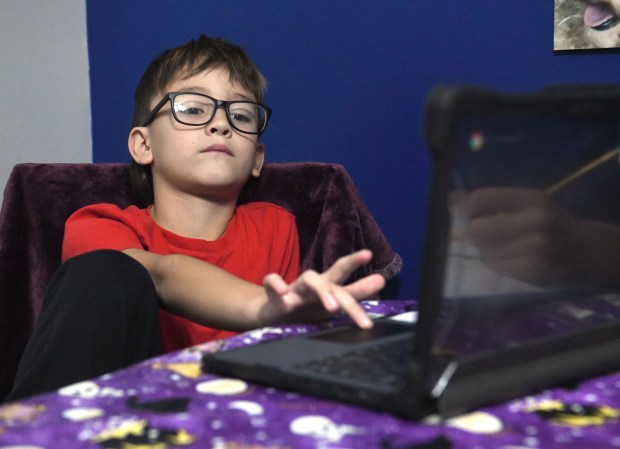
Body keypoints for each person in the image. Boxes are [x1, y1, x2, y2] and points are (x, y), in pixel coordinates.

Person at [5, 35, 385, 402]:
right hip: (119, 413)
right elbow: (159, 273)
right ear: (143, 144)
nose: (221, 124)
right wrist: (262, 308)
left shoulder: (276, 226)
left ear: (257, 159)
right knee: (106, 269)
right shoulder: (98, 223)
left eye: (240, 115)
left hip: (226, 417)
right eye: (192, 109)